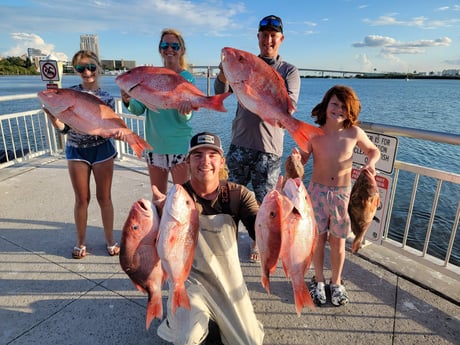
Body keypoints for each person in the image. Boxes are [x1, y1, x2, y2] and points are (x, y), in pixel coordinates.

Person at [153, 132, 264, 345]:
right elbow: (153, 246)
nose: (205, 161)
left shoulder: (238, 195)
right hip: (190, 281)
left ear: (222, 161)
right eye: (197, 155)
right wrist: (156, 216)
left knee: (249, 342)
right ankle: (181, 316)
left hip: (228, 281)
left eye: (212, 155)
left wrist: (274, 216)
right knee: (187, 338)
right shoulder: (177, 198)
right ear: (188, 161)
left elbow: (257, 228)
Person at [214, 15, 300, 263]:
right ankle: (226, 238)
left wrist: (261, 94)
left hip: (269, 149)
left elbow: (289, 106)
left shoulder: (289, 71)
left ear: (281, 39)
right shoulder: (244, 64)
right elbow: (220, 95)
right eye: (264, 35)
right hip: (240, 142)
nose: (268, 40)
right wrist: (222, 77)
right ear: (258, 38)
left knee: (266, 205)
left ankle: (257, 241)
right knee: (229, 197)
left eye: (273, 35)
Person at [298, 85, 381, 306]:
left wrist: (370, 164)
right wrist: (297, 158)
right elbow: (303, 160)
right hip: (316, 192)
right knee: (318, 241)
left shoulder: (353, 132)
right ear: (326, 105)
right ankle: (318, 280)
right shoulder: (313, 133)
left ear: (350, 110)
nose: (339, 110)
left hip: (344, 195)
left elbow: (374, 150)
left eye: (344, 107)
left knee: (339, 243)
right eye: (335, 104)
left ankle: (336, 282)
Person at [44, 50, 120, 259]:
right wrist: (52, 116)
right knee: (81, 199)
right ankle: (81, 241)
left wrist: (118, 132)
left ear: (99, 68)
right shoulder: (69, 94)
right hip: (76, 150)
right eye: (81, 68)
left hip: (102, 150)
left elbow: (108, 127)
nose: (87, 72)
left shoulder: (107, 98)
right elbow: (64, 129)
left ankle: (110, 239)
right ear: (76, 71)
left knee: (104, 198)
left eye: (91, 67)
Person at [121, 28, 194, 197]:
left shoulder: (187, 78)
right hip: (154, 146)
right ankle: (160, 224)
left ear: (182, 50)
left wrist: (185, 111)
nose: (170, 49)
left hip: (179, 146)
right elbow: (139, 109)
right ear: (160, 49)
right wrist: (127, 100)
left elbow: (186, 118)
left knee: (181, 199)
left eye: (175, 46)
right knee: (158, 198)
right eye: (165, 45)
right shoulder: (151, 76)